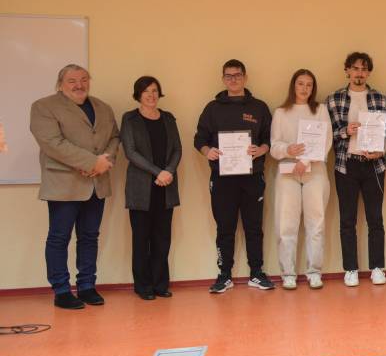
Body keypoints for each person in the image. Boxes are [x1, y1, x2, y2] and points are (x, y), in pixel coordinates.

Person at [29, 64, 119, 309]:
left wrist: (104, 162)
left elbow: (114, 137)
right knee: (59, 237)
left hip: (97, 183)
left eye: (84, 79)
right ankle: (61, 290)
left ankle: (87, 286)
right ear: (60, 84)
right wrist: (91, 162)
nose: (79, 85)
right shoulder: (43, 107)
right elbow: (52, 142)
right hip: (64, 184)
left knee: (90, 237)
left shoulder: (103, 107)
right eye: (72, 81)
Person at [194, 59, 273, 293]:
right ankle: (224, 275)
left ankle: (256, 273)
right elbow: (199, 139)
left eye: (237, 75)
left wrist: (262, 150)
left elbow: (269, 139)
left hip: (252, 177)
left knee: (254, 227)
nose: (233, 80)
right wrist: (208, 151)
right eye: (228, 76)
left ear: (245, 77)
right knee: (225, 228)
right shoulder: (212, 108)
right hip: (222, 179)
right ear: (223, 79)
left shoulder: (259, 107)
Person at [327, 52, 386, 287]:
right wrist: (345, 131)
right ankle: (351, 269)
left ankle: (377, 267)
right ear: (347, 70)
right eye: (355, 68)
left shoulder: (381, 99)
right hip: (346, 165)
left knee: (376, 219)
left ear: (369, 72)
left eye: (364, 69)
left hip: (374, 165)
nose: (359, 73)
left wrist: (381, 151)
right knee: (347, 220)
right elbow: (326, 135)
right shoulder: (333, 99)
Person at [120, 76, 182, 300]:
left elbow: (177, 149)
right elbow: (130, 152)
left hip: (166, 187)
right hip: (141, 189)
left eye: (155, 90)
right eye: (146, 91)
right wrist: (158, 172)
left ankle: (160, 284)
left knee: (162, 239)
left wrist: (169, 171)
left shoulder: (168, 118)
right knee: (141, 239)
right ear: (138, 94)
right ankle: (143, 286)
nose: (151, 95)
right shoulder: (130, 119)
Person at [270, 69, 332, 290]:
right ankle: (288, 273)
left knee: (316, 224)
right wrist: (288, 149)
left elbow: (326, 141)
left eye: (309, 84)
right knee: (286, 225)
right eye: (300, 84)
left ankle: (314, 272)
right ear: (293, 86)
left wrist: (304, 161)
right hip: (288, 174)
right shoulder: (280, 113)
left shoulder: (320, 110)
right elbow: (274, 147)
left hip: (315, 172)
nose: (304, 88)